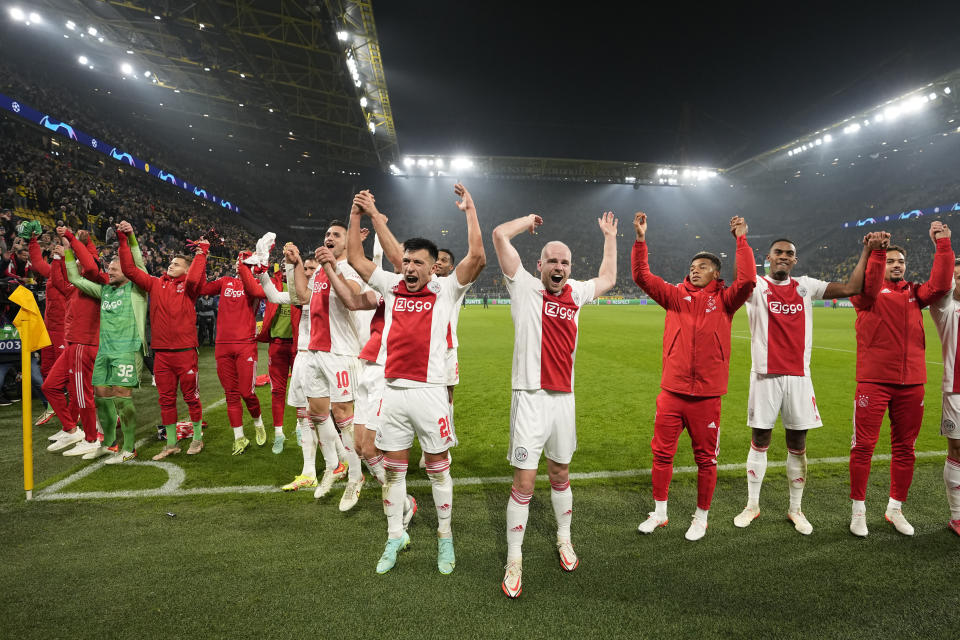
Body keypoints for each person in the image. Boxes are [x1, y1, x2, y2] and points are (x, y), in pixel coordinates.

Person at [347, 184, 485, 575]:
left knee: (439, 467)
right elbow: (356, 257)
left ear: (433, 266)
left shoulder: (444, 290)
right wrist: (358, 212)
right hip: (392, 392)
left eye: (416, 263)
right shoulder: (391, 285)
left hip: (429, 394)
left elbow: (477, 256)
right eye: (405, 261)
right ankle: (395, 537)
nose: (408, 268)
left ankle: (445, 537)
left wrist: (470, 210)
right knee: (394, 470)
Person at [492, 211, 617, 599]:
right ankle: (515, 559)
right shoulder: (524, 287)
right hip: (530, 397)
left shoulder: (576, 293)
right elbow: (498, 235)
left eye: (564, 262)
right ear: (539, 265)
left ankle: (564, 539)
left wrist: (610, 236)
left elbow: (609, 278)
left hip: (564, 399)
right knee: (525, 482)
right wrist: (526, 222)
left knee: (561, 473)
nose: (559, 267)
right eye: (552, 261)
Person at [733, 233, 879, 535]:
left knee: (797, 445)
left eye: (789, 253)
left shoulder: (805, 285)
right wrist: (741, 239)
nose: (784, 256)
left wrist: (866, 249)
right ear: (769, 257)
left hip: (799, 378)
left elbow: (853, 287)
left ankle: (795, 509)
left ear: (795, 260)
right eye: (778, 252)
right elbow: (743, 275)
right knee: (760, 440)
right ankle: (752, 505)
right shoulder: (755, 286)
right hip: (765, 376)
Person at [633, 212, 756, 541]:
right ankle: (659, 513)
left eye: (703, 266)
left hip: (706, 397)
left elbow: (746, 281)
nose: (695, 269)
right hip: (671, 393)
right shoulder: (674, 296)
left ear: (716, 273)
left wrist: (741, 239)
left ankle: (701, 517)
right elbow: (642, 277)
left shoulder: (725, 301)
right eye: (693, 265)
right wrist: (641, 239)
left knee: (706, 459)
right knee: (661, 454)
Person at [848, 221, 954, 537]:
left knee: (906, 448)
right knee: (863, 447)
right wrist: (877, 252)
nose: (897, 266)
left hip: (912, 384)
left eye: (901, 262)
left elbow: (940, 285)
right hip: (873, 382)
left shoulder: (914, 293)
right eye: (891, 261)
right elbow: (867, 284)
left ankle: (895, 509)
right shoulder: (865, 294)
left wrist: (943, 244)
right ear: (881, 265)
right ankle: (858, 511)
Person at [115, 221, 208, 459]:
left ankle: (197, 438)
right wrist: (123, 239)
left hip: (186, 351)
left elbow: (196, 277)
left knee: (191, 398)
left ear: (186, 270)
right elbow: (130, 270)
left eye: (177, 264)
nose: (171, 265)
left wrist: (201, 253)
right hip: (162, 354)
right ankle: (171, 444)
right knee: (165, 400)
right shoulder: (155, 284)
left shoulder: (190, 287)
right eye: (171, 262)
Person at [290, 220, 365, 501]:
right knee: (316, 412)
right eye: (327, 234)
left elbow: (352, 297)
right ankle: (334, 466)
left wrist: (332, 266)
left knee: (343, 415)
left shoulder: (353, 267)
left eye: (336, 234)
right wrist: (295, 264)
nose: (329, 237)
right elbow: (303, 296)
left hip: (341, 352)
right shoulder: (320, 271)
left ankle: (356, 477)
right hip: (315, 351)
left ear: (347, 242)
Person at [65, 240, 148, 464]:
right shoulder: (105, 291)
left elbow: (138, 265)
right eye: (108, 268)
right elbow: (74, 278)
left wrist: (129, 239)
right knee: (101, 399)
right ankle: (109, 444)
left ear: (128, 272)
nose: (109, 271)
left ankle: (129, 448)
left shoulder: (137, 288)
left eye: (114, 268)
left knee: (122, 399)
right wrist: (67, 250)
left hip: (127, 349)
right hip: (104, 352)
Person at [44, 229, 108, 457]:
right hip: (72, 344)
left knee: (83, 395)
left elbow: (90, 265)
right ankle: (71, 430)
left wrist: (72, 239)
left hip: (85, 344)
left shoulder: (99, 280)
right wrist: (60, 257)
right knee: (50, 386)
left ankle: (91, 439)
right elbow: (59, 281)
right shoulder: (77, 284)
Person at [199, 253, 267, 454]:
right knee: (230, 394)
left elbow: (257, 292)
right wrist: (201, 258)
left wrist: (247, 267)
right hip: (222, 345)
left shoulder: (256, 284)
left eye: (244, 261)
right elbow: (202, 288)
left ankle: (258, 421)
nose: (239, 263)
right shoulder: (225, 281)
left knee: (247, 392)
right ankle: (239, 438)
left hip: (245, 344)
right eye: (239, 260)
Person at [929, 258, 960, 537]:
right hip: (957, 390)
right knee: (958, 450)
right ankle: (957, 517)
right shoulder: (946, 309)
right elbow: (943, 287)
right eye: (958, 277)